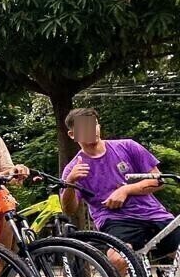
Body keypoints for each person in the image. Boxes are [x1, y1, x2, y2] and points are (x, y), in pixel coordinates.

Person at [61, 108, 178, 256]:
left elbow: (158, 180)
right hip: (116, 220)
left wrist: (125, 190)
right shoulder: (72, 169)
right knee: (118, 258)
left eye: (94, 124)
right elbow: (69, 209)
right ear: (72, 134)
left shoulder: (128, 146)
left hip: (154, 214)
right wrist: (70, 182)